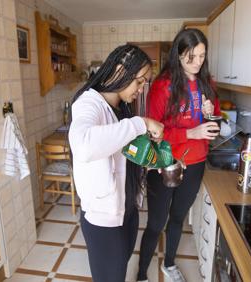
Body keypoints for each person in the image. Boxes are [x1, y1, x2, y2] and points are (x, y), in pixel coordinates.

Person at [69, 44, 164, 282]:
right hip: (103, 220)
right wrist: (141, 123)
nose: (141, 90)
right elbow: (84, 144)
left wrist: (152, 158)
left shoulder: (120, 108)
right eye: (140, 82)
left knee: (119, 271)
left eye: (145, 83)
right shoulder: (88, 103)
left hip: (127, 210)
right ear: (121, 70)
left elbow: (123, 154)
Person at [136, 28, 221, 282]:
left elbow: (215, 126)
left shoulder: (209, 84)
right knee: (156, 223)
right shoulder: (163, 87)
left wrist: (209, 114)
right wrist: (190, 134)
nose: (197, 63)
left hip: (195, 164)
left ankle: (169, 264)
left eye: (202, 56)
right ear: (178, 55)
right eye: (191, 57)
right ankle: (141, 274)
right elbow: (154, 133)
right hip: (165, 162)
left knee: (178, 218)